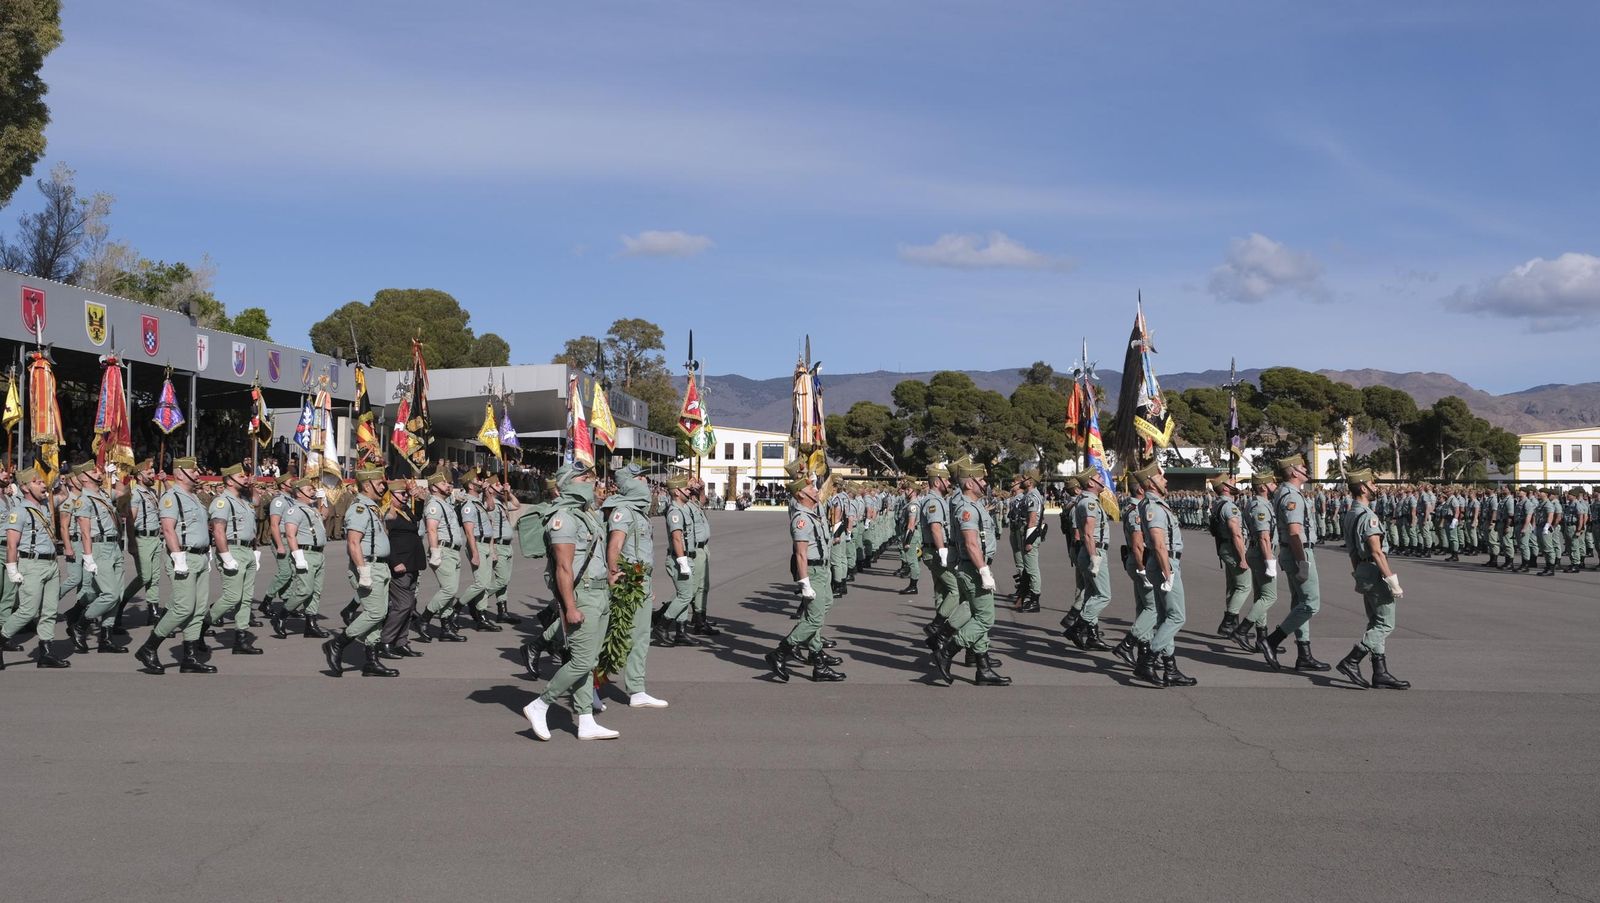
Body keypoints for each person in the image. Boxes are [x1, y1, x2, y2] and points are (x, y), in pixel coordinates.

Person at [522, 461, 619, 741]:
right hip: (582, 595)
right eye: (584, 478)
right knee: (581, 661)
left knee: (588, 661)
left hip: (600, 592)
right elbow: (564, 567)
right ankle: (540, 705)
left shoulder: (585, 515)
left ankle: (585, 720)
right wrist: (570, 607)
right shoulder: (563, 517)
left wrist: (610, 578)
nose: (591, 481)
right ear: (568, 483)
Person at [929, 457, 1009, 686]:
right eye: (981, 479)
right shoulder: (966, 508)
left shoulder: (973, 506)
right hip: (973, 568)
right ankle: (946, 651)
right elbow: (971, 543)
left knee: (975, 614)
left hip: (971, 566)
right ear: (969, 484)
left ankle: (982, 669)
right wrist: (983, 570)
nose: (985, 483)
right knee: (985, 619)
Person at [134, 457, 216, 674]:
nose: (198, 474)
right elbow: (169, 529)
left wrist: (208, 552)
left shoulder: (194, 498)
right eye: (193, 470)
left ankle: (189, 657)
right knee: (183, 607)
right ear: (180, 473)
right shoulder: (171, 498)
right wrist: (178, 557)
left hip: (199, 556)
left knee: (198, 609)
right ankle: (148, 647)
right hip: (184, 557)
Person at [764, 473, 845, 682]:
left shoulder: (812, 511)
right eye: (811, 488)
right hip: (814, 571)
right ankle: (780, 652)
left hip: (823, 569)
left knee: (823, 607)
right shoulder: (801, 519)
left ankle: (818, 663)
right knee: (814, 618)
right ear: (800, 494)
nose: (816, 490)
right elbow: (800, 553)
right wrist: (804, 582)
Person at [1335, 469, 1410, 690]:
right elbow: (1377, 552)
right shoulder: (1368, 516)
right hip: (1374, 571)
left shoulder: (1351, 514)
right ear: (1363, 488)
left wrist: (1357, 572)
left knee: (1375, 621)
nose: (1376, 487)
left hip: (1362, 569)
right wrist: (1391, 579)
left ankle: (1380, 672)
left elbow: (1351, 551)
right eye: (1372, 484)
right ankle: (1352, 659)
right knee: (1386, 623)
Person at [604, 460, 667, 706]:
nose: (646, 482)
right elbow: (615, 546)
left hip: (640, 578)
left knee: (639, 635)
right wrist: (614, 574)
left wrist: (646, 585)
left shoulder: (638, 512)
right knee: (616, 635)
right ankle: (594, 686)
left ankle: (636, 689)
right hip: (628, 579)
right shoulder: (624, 511)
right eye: (641, 478)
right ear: (630, 484)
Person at [1260, 455, 1330, 673]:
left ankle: (1304, 654)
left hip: (1292, 551)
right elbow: (1294, 532)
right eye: (1301, 467)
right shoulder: (1291, 496)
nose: (1305, 470)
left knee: (1300, 603)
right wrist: (1303, 562)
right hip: (1299, 551)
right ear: (1292, 472)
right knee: (1311, 603)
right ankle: (1272, 640)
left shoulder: (1286, 492)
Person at [324, 467, 398, 676]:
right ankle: (338, 644)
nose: (383, 486)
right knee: (375, 613)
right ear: (367, 485)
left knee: (379, 614)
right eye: (380, 482)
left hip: (380, 566)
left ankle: (371, 661)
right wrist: (362, 570)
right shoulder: (359, 509)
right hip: (368, 565)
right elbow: (353, 542)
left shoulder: (372, 507)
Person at [1134, 463, 1196, 688]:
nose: (1166, 480)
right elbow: (1159, 543)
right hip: (1165, 562)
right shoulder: (1155, 507)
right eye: (1161, 477)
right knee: (1177, 617)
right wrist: (1168, 573)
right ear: (1151, 482)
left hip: (1161, 562)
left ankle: (1170, 668)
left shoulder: (1154, 505)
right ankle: (1148, 660)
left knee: (1164, 618)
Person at [0, 466, 67, 668]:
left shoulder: (47, 505)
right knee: (28, 611)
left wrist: (57, 476)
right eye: (37, 482)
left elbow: (63, 495)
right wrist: (12, 569)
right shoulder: (18, 511)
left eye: (42, 481)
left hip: (51, 563)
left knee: (49, 611)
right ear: (25, 487)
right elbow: (12, 543)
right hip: (31, 564)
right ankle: (2, 638)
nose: (43, 485)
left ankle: (45, 653)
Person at [65, 459, 128, 655]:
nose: (99, 472)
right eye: (94, 471)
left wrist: (118, 474)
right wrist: (89, 557)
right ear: (84, 477)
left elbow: (123, 493)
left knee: (117, 595)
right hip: (99, 547)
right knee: (108, 594)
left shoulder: (102, 494)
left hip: (114, 546)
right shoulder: (84, 500)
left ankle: (106, 638)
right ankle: (80, 625)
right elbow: (85, 532)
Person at [204, 464, 264, 656]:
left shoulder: (244, 500)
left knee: (245, 598)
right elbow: (219, 529)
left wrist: (252, 485)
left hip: (247, 549)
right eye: (241, 476)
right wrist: (226, 556)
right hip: (233, 548)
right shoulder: (222, 502)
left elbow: (257, 500)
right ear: (229, 480)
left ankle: (241, 638)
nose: (246, 479)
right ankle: (200, 629)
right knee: (232, 597)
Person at [273, 477, 331, 640]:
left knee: (315, 591)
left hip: (318, 554)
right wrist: (298, 557)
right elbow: (290, 534)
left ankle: (310, 625)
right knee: (304, 590)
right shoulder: (295, 510)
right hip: (305, 553)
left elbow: (324, 515)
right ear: (298, 493)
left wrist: (323, 499)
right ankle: (281, 616)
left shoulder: (311, 508)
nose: (312, 491)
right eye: (309, 490)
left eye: (313, 489)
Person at [1067, 470, 1113, 651]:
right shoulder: (1089, 503)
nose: (1103, 480)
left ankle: (1092, 635)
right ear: (1091, 483)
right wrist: (1095, 557)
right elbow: (1087, 532)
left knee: (1091, 594)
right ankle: (1078, 627)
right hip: (1094, 551)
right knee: (1103, 595)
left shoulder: (1086, 500)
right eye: (1099, 478)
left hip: (1089, 551)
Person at [380, 480, 426, 657]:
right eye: (402, 494)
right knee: (402, 606)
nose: (405, 496)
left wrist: (420, 499)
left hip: (412, 563)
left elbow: (417, 518)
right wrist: (394, 561)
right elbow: (386, 540)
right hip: (400, 564)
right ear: (390, 496)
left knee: (409, 606)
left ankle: (401, 642)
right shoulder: (387, 514)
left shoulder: (404, 510)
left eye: (406, 493)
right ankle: (385, 641)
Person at [420, 471, 468, 641]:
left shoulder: (444, 503)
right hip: (443, 550)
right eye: (443, 483)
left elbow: (458, 497)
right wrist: (435, 552)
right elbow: (432, 529)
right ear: (433, 488)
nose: (448, 485)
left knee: (451, 591)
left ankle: (446, 628)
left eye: (448, 483)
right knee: (449, 589)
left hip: (453, 551)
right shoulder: (434, 505)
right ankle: (424, 618)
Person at [120, 458, 168, 625]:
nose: (153, 475)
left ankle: (153, 611)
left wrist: (165, 482)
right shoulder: (135, 494)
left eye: (153, 471)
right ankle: (121, 602)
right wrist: (131, 543)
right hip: (142, 539)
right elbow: (130, 520)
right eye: (149, 473)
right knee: (145, 576)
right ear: (139, 476)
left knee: (154, 577)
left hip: (155, 538)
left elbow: (170, 501)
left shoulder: (152, 492)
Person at [1208, 473, 1250, 638]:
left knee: (1233, 587)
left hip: (1224, 547)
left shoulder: (1219, 504)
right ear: (1225, 488)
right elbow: (1236, 534)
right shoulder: (1228, 507)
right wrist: (1243, 558)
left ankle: (1233, 624)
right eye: (1231, 481)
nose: (1234, 482)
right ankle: (1228, 622)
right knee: (1244, 586)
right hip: (1233, 548)